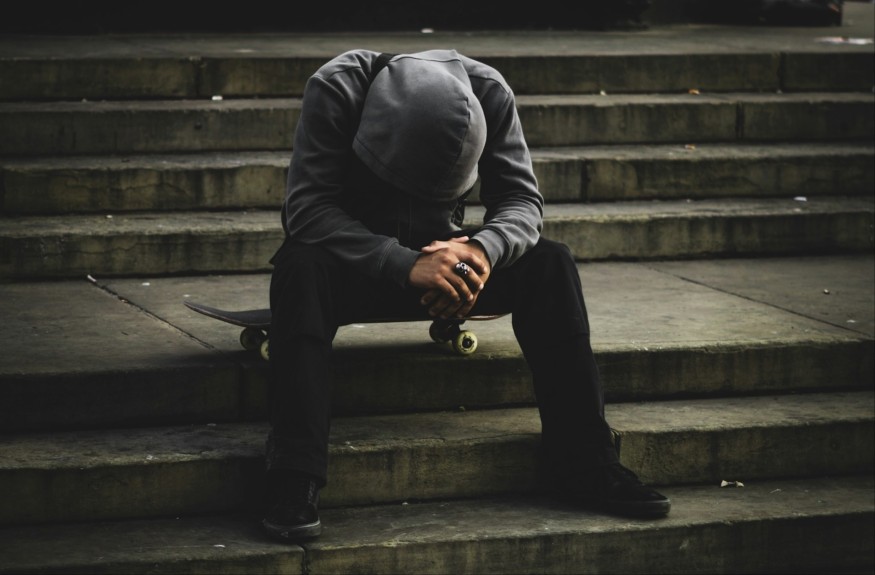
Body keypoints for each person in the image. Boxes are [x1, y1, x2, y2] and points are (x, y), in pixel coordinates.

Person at [263, 49, 670, 542]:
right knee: (300, 266)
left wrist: (479, 252)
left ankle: (586, 461)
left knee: (551, 262)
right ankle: (294, 474)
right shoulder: (337, 86)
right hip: (354, 266)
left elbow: (522, 200)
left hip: (448, 260)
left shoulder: (490, 92)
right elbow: (306, 208)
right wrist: (404, 263)